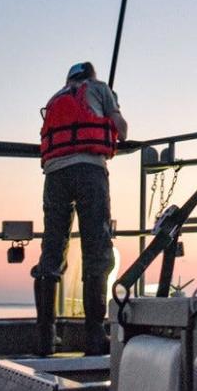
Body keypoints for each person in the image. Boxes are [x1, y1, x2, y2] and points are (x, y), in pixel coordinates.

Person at [32, 61, 127, 356]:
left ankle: (45, 339)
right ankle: (95, 338)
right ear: (91, 76)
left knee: (52, 249)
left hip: (55, 175)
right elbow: (122, 130)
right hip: (89, 170)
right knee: (96, 249)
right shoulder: (100, 89)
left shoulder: (55, 97)